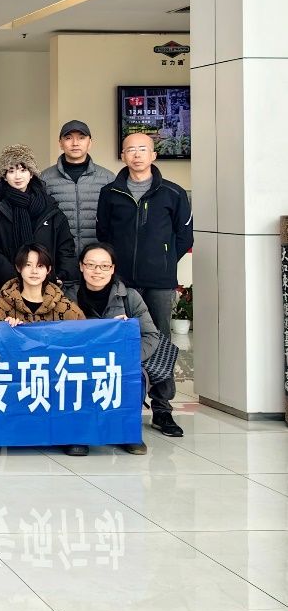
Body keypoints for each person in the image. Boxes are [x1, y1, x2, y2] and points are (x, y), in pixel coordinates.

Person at [96, 131, 194, 438]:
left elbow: (184, 237)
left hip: (159, 281)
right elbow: (103, 234)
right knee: (119, 337)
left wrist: (163, 261)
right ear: (122, 155)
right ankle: (124, 403)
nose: (136, 155)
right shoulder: (110, 192)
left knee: (160, 339)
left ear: (153, 155)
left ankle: (162, 408)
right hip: (121, 280)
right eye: (130, 150)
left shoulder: (173, 193)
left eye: (142, 149)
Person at [62, 242, 162, 456]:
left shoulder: (129, 297)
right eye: (91, 265)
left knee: (134, 377)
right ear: (81, 266)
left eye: (104, 266)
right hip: (79, 363)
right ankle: (78, 434)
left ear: (113, 268)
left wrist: (128, 358)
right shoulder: (67, 297)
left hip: (119, 363)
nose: (97, 271)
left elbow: (151, 336)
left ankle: (128, 434)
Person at [0, 144, 77, 290]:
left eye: (23, 170)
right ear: (4, 176)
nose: (18, 176)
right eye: (11, 171)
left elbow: (65, 246)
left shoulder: (49, 207)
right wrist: (13, 280)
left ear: (31, 173)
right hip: (9, 287)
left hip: (48, 285)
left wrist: (60, 275)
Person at [41, 120, 115, 254]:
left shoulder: (107, 178)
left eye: (81, 138)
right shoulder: (45, 178)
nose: (75, 143)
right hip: (59, 254)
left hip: (96, 256)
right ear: (60, 143)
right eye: (68, 138)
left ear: (90, 143)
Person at [0, 244, 85, 325]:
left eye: (40, 266)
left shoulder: (66, 307)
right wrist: (5, 329)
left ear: (48, 270)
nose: (34, 271)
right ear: (18, 268)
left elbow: (83, 335)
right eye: (28, 265)